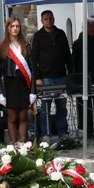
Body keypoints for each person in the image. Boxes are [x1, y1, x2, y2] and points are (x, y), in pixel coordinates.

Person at [31, 10, 71, 138]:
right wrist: (37, 77)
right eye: (46, 19)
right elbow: (33, 58)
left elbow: (67, 55)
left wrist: (71, 74)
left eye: (51, 18)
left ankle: (62, 133)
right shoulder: (38, 36)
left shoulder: (61, 33)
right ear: (42, 21)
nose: (49, 21)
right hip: (45, 77)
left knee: (62, 107)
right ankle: (46, 134)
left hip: (61, 76)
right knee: (45, 108)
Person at [0, 17, 37, 142]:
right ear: (8, 28)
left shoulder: (26, 46)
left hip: (24, 84)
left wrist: (33, 91)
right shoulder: (1, 47)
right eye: (12, 26)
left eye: (17, 26)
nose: (15, 29)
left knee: (23, 117)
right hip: (10, 84)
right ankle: (14, 146)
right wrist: (0, 92)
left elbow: (32, 70)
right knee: (12, 117)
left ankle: (23, 146)